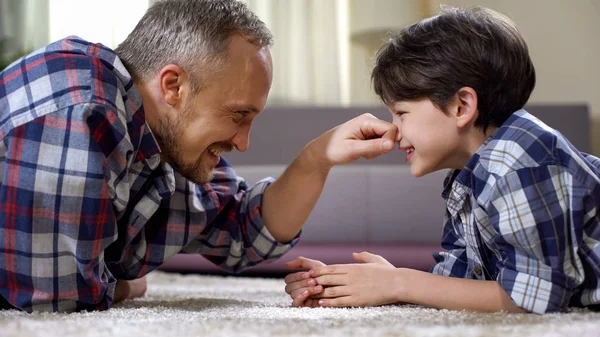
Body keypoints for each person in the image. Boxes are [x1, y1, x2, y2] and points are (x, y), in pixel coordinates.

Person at [0, 0, 397, 313]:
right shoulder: (79, 110)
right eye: (238, 115)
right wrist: (128, 285)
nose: (243, 143)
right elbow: (57, 297)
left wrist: (317, 157)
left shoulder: (159, 146)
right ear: (173, 86)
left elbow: (245, 228)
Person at [284, 5, 600, 314]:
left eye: (402, 113)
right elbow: (463, 281)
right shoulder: (469, 175)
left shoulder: (524, 162)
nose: (393, 132)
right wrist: (369, 282)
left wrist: (400, 283)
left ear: (461, 106)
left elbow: (534, 298)